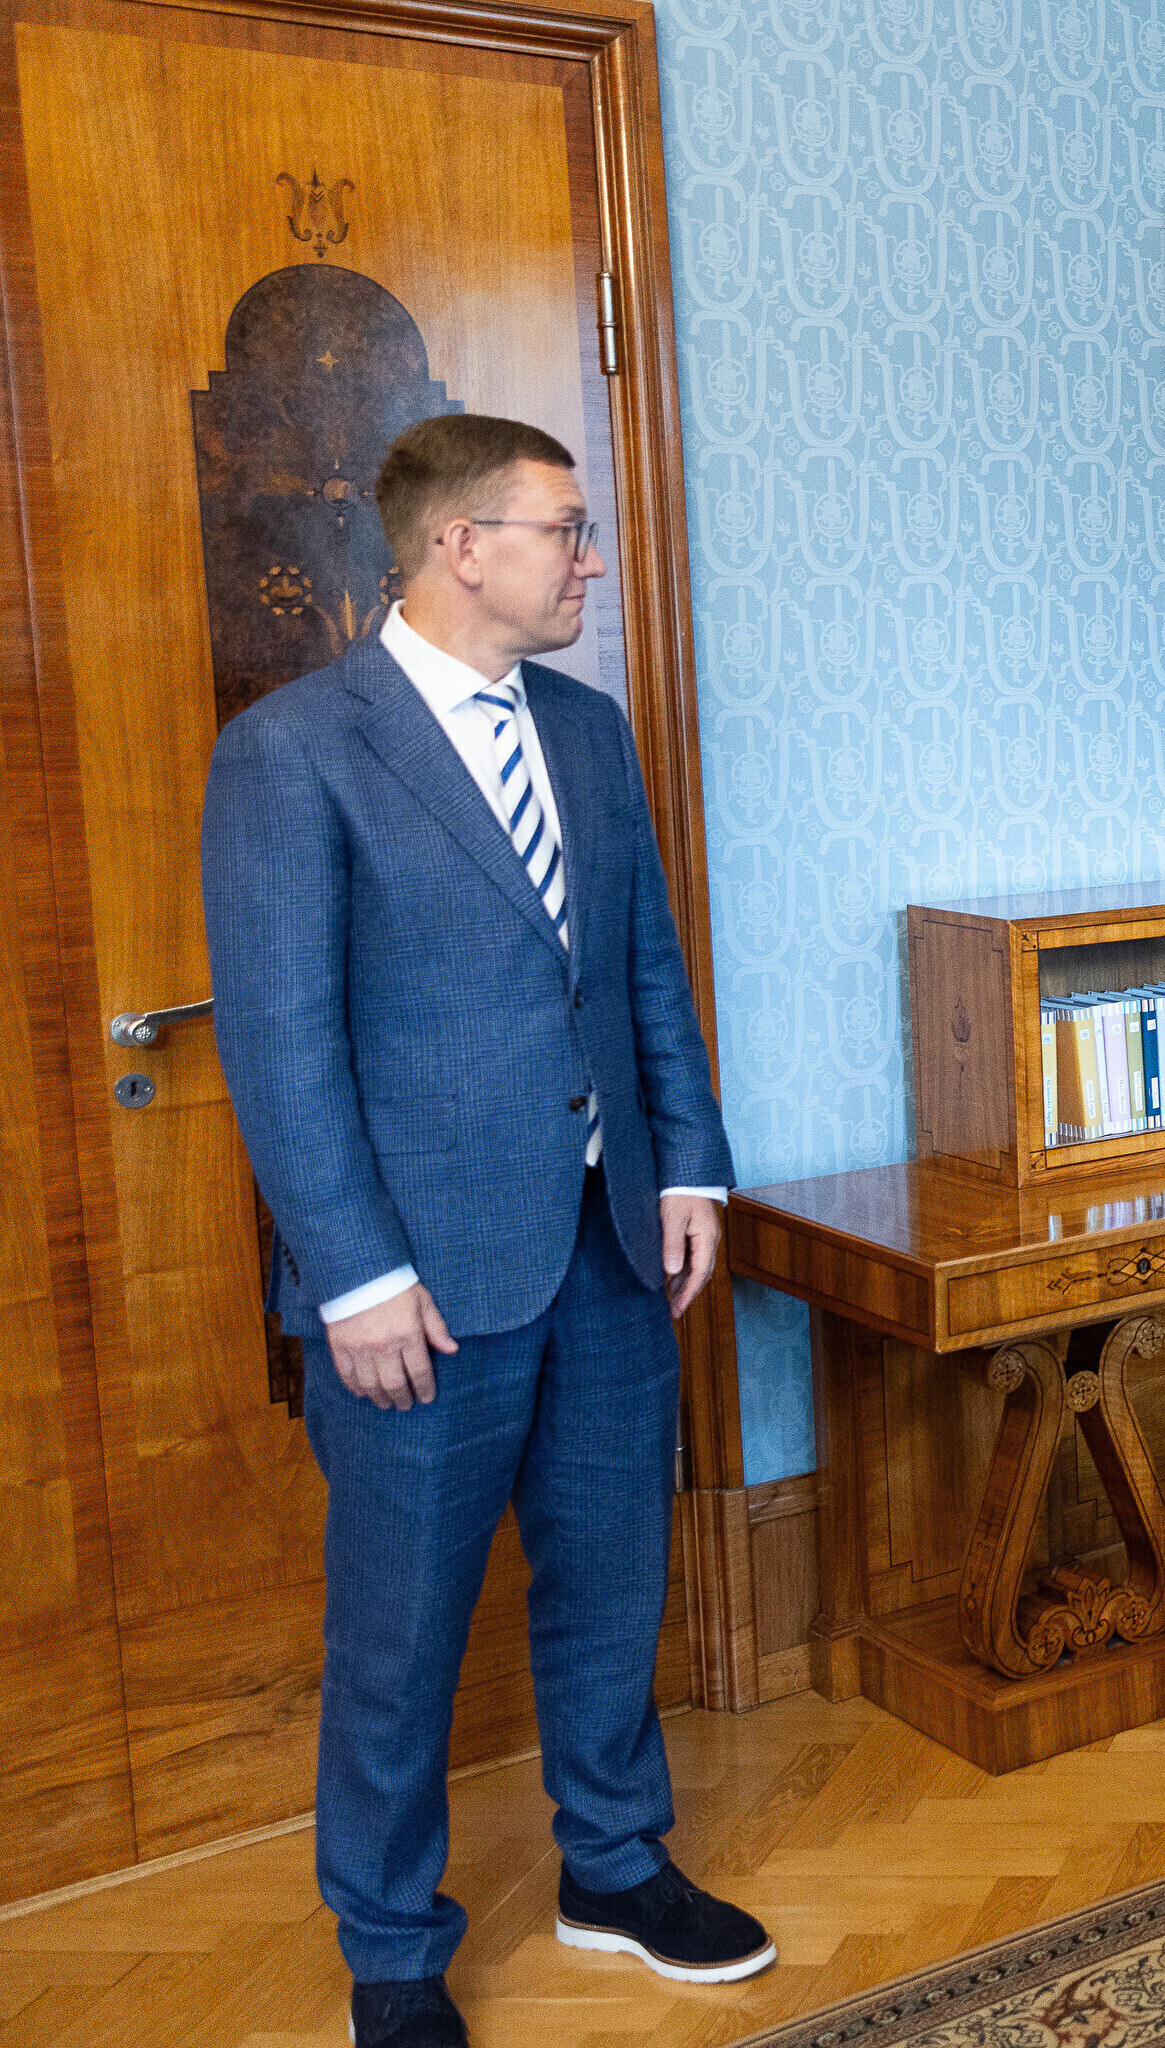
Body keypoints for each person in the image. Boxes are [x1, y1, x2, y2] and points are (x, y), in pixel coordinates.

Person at [201, 415, 770, 2048]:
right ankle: (393, 1950)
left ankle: (615, 1864)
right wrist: (354, 1273)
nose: (590, 558)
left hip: (610, 1244)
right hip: (421, 1283)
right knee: (400, 1633)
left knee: (610, 1576)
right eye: (563, 530)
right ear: (462, 545)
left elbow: (642, 963)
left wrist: (689, 1166)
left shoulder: (586, 731)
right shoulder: (297, 751)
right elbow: (283, 1043)